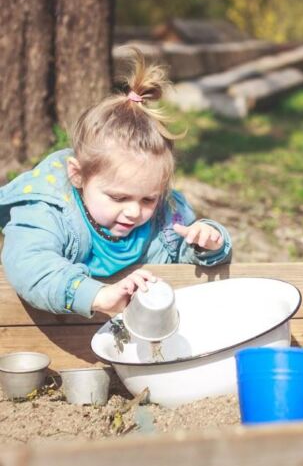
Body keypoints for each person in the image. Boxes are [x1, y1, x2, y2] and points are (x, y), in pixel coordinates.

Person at [0, 51, 232, 318]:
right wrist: (97, 295)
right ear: (78, 175)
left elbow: (186, 259)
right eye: (119, 198)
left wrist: (206, 244)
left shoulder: (165, 213)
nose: (134, 212)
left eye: (147, 199)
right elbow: (29, 263)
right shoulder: (47, 210)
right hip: (56, 331)